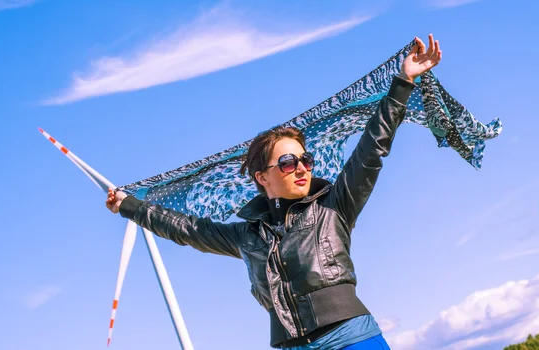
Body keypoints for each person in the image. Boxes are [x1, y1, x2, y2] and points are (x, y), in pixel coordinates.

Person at [106, 35, 442, 349]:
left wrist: (403, 82)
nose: (301, 167)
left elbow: (372, 150)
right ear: (262, 177)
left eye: (305, 159)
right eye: (287, 161)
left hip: (351, 338)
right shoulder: (247, 235)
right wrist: (129, 206)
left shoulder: (334, 205)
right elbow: (188, 230)